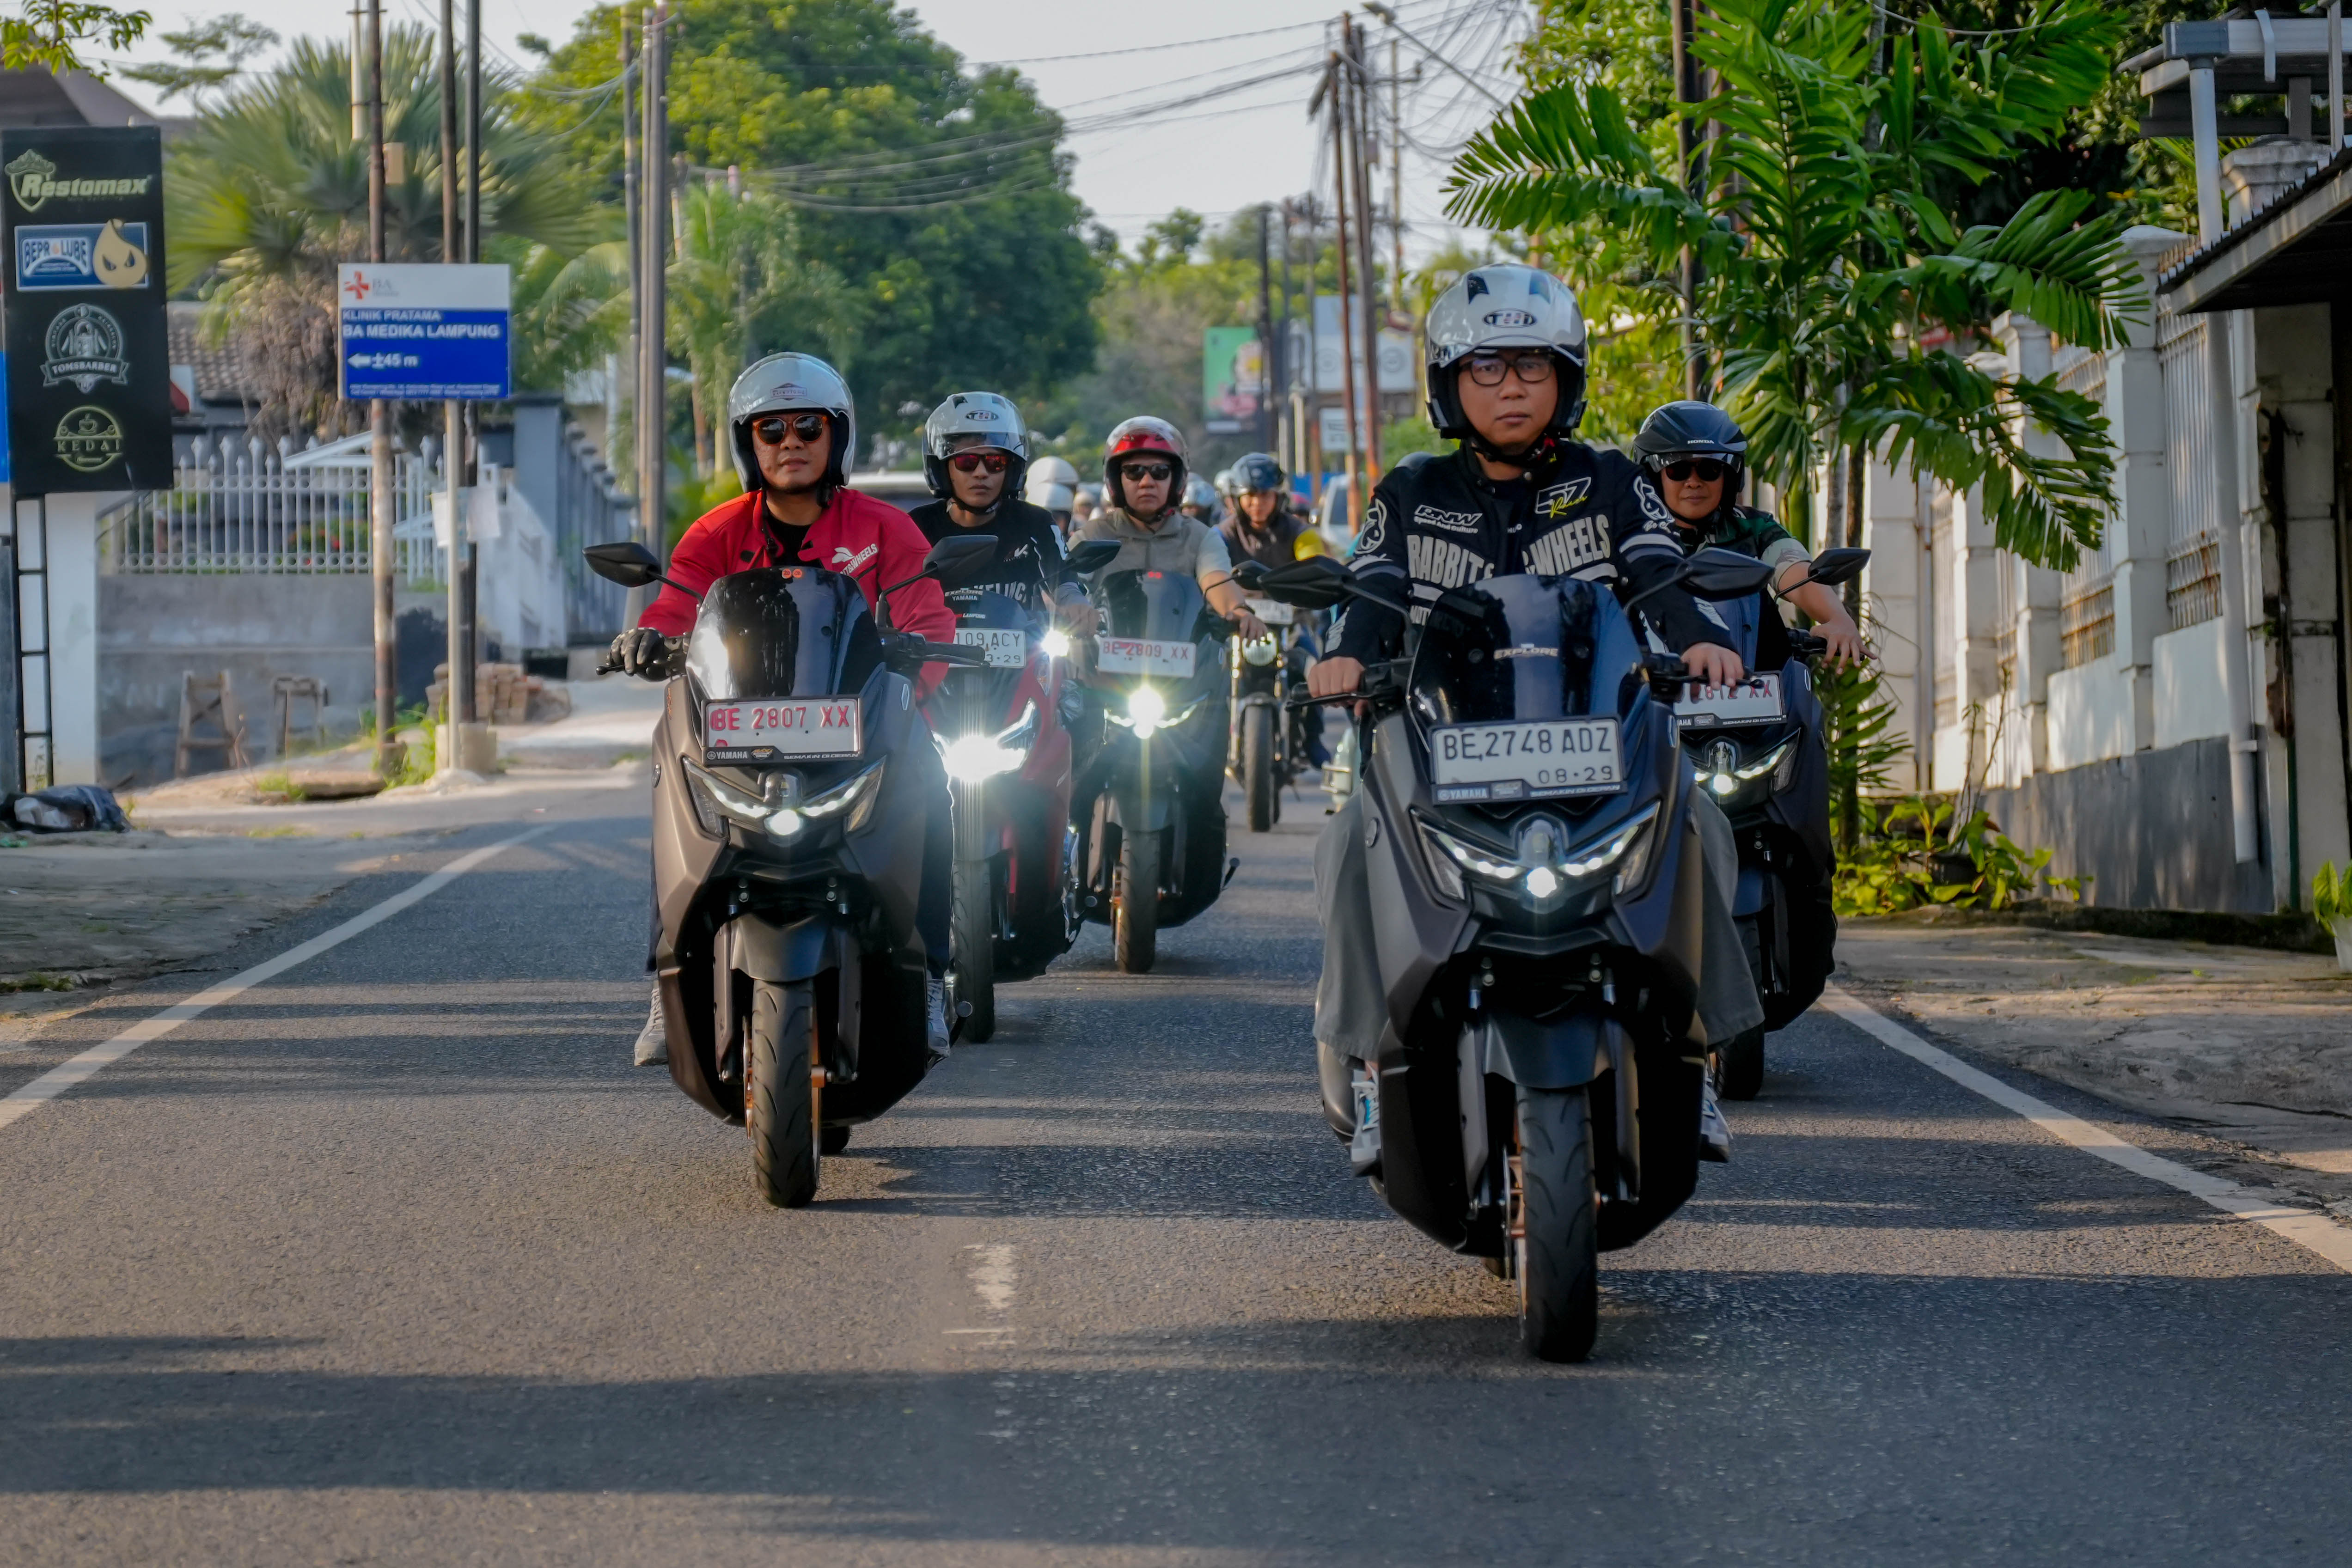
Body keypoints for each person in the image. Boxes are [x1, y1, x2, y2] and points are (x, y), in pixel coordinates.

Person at [1302, 263, 1760, 1162]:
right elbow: (1374, 587)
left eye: (1532, 366)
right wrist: (1347, 655)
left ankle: (1700, 1054)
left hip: (1595, 744)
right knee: (1343, 843)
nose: (1511, 386)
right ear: (1448, 382)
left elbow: (1660, 573)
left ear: (1566, 379)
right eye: (1487, 368)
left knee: (1702, 820)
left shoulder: (1610, 479)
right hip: (1440, 749)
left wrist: (1702, 638)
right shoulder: (1412, 488)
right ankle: (1366, 1063)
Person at [611, 353, 959, 1070]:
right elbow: (677, 605)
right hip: (739, 736)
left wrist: (918, 658)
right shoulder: (716, 533)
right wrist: (648, 639)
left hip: (855, 732)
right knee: (666, 774)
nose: (791, 442)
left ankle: (929, 974)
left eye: (809, 427)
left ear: (837, 438)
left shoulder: (886, 530)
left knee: (937, 780)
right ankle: (663, 973)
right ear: (751, 444)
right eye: (772, 430)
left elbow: (929, 611)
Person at [1631, 401, 1865, 667]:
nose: (1693, 481)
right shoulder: (1630, 534)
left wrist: (1838, 620)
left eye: (1709, 469)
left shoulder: (1752, 528)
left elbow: (1793, 568)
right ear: (1652, 476)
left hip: (1751, 686)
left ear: (1729, 476)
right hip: (1650, 685)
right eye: (1678, 469)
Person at [907, 391, 1092, 630]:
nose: (981, 473)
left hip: (1024, 659)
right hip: (936, 660)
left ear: (1011, 469)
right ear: (944, 470)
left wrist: (1077, 605)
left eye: (996, 462)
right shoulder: (917, 526)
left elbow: (1064, 581)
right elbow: (892, 595)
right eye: (967, 462)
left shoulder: (1035, 522)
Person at [1071, 417, 1265, 641]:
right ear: (1116, 479)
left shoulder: (1200, 538)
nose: (1146, 482)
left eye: (1160, 471)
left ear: (1177, 479)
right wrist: (1065, 607)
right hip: (1099, 662)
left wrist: (1239, 611)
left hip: (1185, 662)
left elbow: (1216, 580)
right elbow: (1063, 585)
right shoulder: (1093, 536)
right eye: (1134, 471)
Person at [1217, 451, 1329, 768]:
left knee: (1311, 671)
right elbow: (1207, 565)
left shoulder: (1299, 531)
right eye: (1249, 496)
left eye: (1264, 495)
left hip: (1289, 623)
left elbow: (1314, 561)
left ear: (1277, 497)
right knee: (1208, 672)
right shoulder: (1221, 534)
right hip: (1235, 624)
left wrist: (1314, 575)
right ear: (1235, 498)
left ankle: (1312, 740)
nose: (1257, 503)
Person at [1026, 453, 1081, 537]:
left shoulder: (1077, 544)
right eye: (1039, 519)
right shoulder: (1017, 545)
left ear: (1068, 520)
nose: (1047, 524)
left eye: (1055, 518)